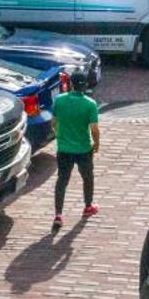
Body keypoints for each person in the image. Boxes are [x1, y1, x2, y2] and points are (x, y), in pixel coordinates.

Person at [50, 77, 101, 228]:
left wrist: (59, 134)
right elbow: (94, 129)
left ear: (70, 85)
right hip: (84, 149)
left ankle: (58, 215)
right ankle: (88, 206)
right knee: (87, 177)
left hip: (64, 149)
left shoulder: (59, 100)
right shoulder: (90, 104)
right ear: (85, 86)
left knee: (62, 181)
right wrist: (96, 143)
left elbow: (54, 122)